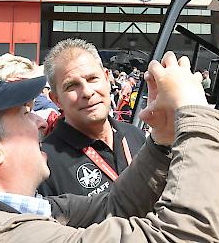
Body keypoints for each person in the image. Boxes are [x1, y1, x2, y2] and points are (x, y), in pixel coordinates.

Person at [0, 51, 219, 242]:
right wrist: (199, 116)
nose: (40, 121)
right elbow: (179, 237)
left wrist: (163, 139)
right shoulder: (0, 235)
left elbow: (111, 208)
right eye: (24, 113)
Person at [39, 39, 146, 197]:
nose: (87, 92)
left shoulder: (135, 135)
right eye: (72, 86)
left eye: (92, 79)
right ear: (56, 100)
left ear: (107, 78)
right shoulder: (45, 163)